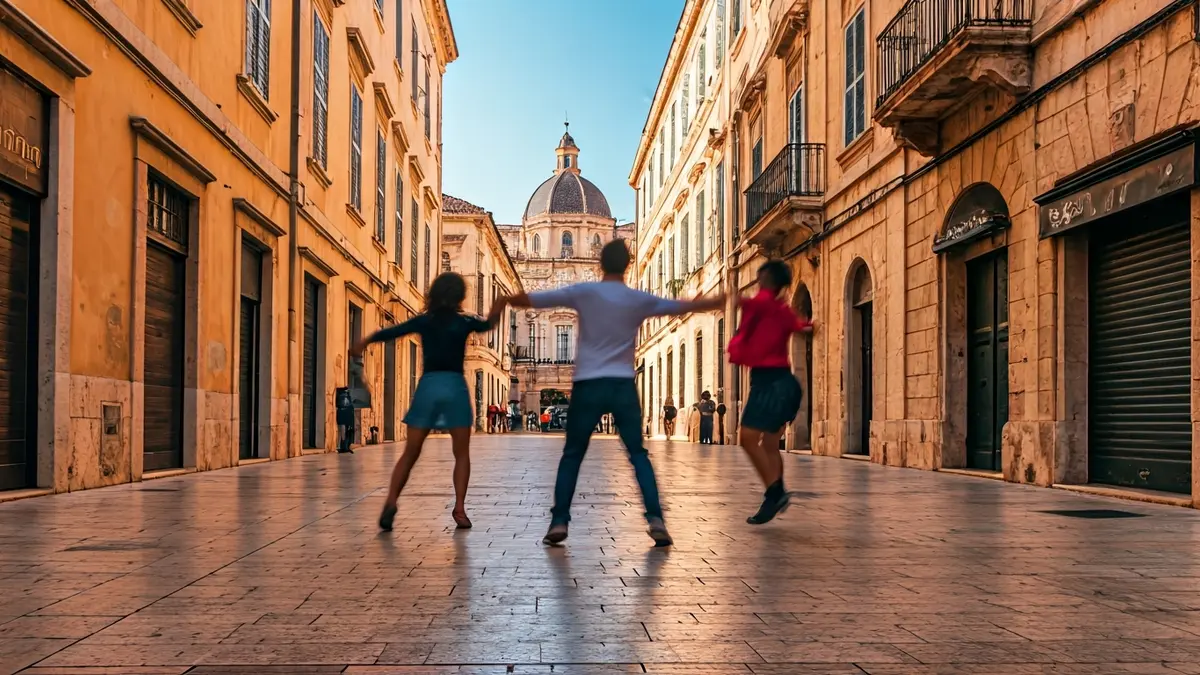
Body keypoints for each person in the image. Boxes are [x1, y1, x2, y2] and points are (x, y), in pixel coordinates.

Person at [491, 239, 723, 546]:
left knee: (572, 455)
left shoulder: (584, 292)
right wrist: (724, 298)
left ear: (600, 264)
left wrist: (503, 301)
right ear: (628, 265)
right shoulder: (636, 298)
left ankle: (559, 520)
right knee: (638, 455)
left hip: (588, 384)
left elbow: (534, 300)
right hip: (622, 384)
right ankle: (656, 519)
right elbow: (683, 306)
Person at [351, 272, 500, 532]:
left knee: (411, 451)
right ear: (460, 296)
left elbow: (391, 332)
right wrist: (500, 306)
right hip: (454, 386)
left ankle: (391, 501)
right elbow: (488, 325)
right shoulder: (465, 322)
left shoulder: (425, 322)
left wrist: (364, 341)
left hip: (429, 385)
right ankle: (460, 509)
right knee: (461, 453)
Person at [727, 260, 815, 525]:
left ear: (768, 279)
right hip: (785, 384)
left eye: (761, 276)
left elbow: (737, 303)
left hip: (768, 383)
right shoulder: (783, 310)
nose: (758, 280)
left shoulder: (761, 304)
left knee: (748, 439)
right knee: (770, 444)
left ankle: (775, 492)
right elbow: (803, 326)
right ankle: (772, 499)